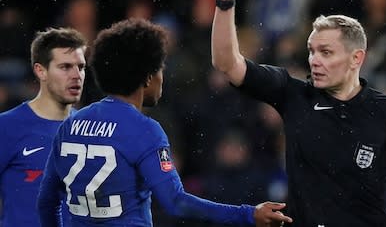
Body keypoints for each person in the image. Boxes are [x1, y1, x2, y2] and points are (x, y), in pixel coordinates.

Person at [211, 0, 386, 227]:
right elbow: (226, 63)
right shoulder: (292, 93)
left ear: (357, 58)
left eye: (326, 53)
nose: (314, 61)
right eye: (311, 51)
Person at [36, 18, 292, 227]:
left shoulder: (70, 125)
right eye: (160, 69)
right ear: (147, 78)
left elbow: (47, 202)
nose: (163, 78)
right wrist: (247, 214)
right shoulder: (144, 130)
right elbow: (175, 202)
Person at [0, 27, 87, 227]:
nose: (76, 75)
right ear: (41, 71)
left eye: (80, 67)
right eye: (65, 67)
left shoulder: (91, 130)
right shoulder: (7, 127)